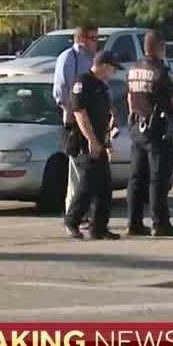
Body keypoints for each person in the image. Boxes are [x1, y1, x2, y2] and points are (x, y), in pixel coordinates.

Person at [125, 32, 173, 237]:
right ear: (161, 47)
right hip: (158, 130)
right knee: (158, 179)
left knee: (136, 178)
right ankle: (160, 224)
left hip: (137, 127)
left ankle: (133, 223)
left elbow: (129, 98)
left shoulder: (134, 69)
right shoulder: (160, 71)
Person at [64, 51, 121, 240]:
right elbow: (80, 113)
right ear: (104, 66)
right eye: (112, 68)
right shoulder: (82, 83)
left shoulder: (101, 86)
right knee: (88, 184)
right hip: (84, 143)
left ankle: (99, 228)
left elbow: (106, 113)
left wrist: (107, 137)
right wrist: (91, 140)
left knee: (104, 186)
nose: (113, 73)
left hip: (99, 142)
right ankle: (72, 220)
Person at [52, 24, 100, 214]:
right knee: (77, 172)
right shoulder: (68, 58)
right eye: (93, 38)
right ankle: (73, 216)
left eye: (97, 39)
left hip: (91, 120)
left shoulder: (92, 60)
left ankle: (84, 214)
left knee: (88, 172)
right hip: (75, 121)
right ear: (82, 40)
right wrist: (73, 112)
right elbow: (60, 91)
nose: (96, 43)